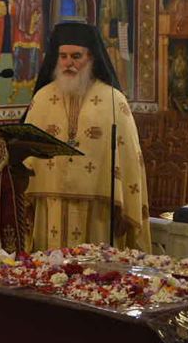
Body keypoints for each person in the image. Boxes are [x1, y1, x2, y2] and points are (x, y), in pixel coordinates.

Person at [22, 22, 150, 251]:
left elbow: (130, 157)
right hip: (50, 206)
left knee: (94, 267)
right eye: (63, 56)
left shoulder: (113, 100)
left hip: (98, 211)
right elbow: (25, 153)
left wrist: (125, 206)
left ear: (91, 58)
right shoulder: (41, 98)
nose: (68, 63)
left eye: (76, 56)